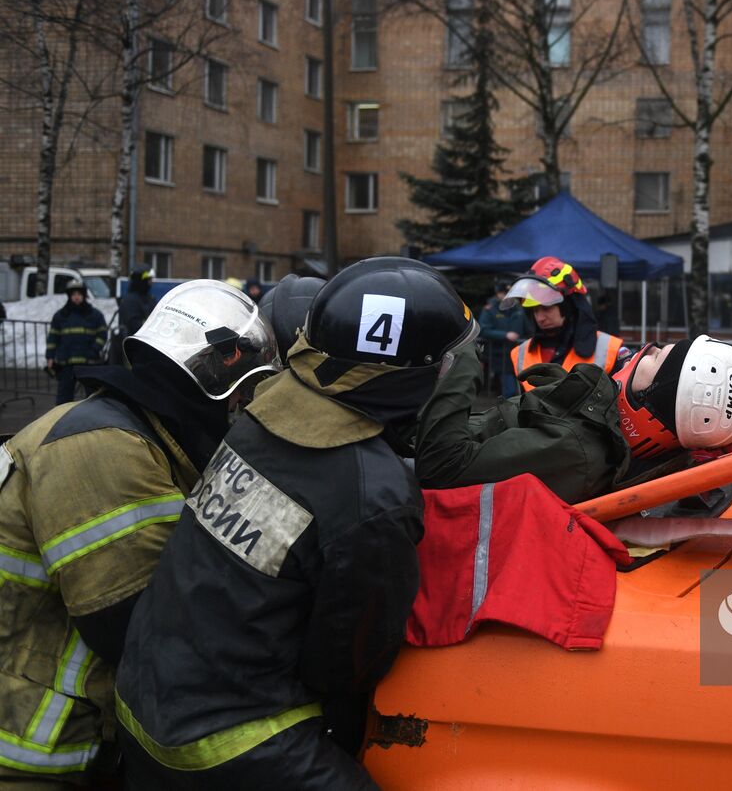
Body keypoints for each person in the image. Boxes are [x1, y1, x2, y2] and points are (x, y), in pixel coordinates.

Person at [114, 258, 476, 790]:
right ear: (409, 375)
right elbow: (347, 663)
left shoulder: (264, 412)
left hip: (142, 702)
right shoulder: (374, 494)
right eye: (440, 366)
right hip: (229, 741)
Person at [0, 281, 277, 786]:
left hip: (71, 737)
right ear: (217, 371)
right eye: (244, 390)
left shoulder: (139, 435)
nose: (243, 408)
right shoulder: (99, 447)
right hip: (29, 752)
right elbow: (137, 627)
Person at [416, 334, 732, 504]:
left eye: (652, 358)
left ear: (648, 409)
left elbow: (442, 465)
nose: (639, 353)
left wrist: (461, 363)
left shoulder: (576, 452)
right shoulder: (594, 435)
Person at [502, 256, 627, 389]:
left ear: (569, 306)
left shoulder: (611, 350)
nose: (540, 317)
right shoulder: (520, 353)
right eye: (535, 310)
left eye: (546, 308)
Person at [46, 282, 108, 404]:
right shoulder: (60, 316)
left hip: (89, 363)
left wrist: (95, 349)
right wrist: (50, 356)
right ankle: (63, 421)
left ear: (84, 295)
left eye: (79, 294)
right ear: (69, 296)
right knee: (64, 398)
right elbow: (53, 337)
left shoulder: (95, 315)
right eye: (73, 294)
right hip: (67, 364)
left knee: (93, 398)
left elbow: (102, 334)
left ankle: (94, 421)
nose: (76, 297)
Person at [478, 279, 526, 398]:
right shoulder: (490, 309)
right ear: (498, 294)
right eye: (505, 294)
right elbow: (483, 330)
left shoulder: (518, 308)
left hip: (520, 354)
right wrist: (505, 335)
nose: (509, 297)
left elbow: (528, 328)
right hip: (501, 355)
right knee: (509, 391)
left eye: (511, 293)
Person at [111, 263, 156, 364]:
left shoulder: (150, 299)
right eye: (149, 280)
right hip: (135, 352)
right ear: (142, 280)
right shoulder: (130, 301)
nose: (152, 283)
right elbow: (134, 325)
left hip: (149, 349)